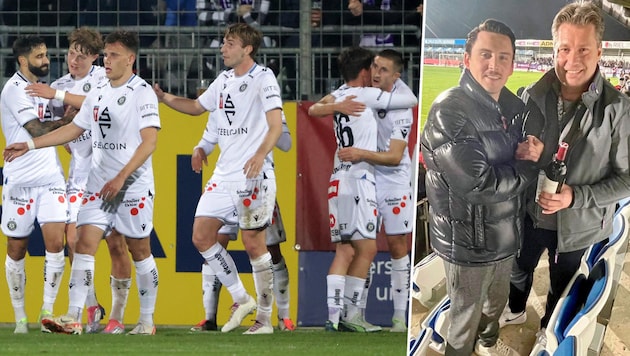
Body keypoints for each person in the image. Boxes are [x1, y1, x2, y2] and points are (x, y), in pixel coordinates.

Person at [5, 30, 162, 336]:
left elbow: (150, 143)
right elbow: (74, 129)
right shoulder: (98, 93)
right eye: (105, 54)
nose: (107, 60)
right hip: (98, 184)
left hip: (132, 185)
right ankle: (75, 316)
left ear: (130, 59)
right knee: (82, 244)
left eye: (113, 55)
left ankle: (145, 320)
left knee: (139, 250)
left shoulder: (141, 92)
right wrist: (31, 145)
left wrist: (121, 177)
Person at [500, 2, 630, 345]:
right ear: (554, 49)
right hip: (528, 214)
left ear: (600, 50)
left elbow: (627, 179)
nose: (572, 59)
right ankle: (514, 308)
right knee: (518, 269)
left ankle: (548, 328)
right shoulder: (530, 96)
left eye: (583, 49)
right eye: (564, 49)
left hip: (577, 226)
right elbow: (518, 160)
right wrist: (518, 154)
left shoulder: (619, 109)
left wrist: (575, 196)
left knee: (562, 284)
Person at [420, 19, 543, 355]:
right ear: (467, 59)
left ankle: (487, 343)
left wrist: (527, 149)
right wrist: (528, 164)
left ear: (513, 63)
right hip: (469, 244)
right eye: (486, 54)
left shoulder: (508, 108)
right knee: (464, 318)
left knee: (495, 305)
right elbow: (478, 185)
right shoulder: (450, 110)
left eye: (503, 57)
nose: (494, 64)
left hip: (503, 235)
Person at [154, 22, 282, 334]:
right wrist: (164, 97)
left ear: (247, 49)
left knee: (254, 244)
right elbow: (197, 107)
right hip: (224, 175)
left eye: (230, 43)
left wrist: (259, 153)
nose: (223, 49)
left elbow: (275, 125)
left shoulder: (263, 78)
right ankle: (241, 297)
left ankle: (264, 319)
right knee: (200, 235)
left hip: (254, 175)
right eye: (223, 43)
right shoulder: (223, 80)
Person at [308, 46, 417, 333]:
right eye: (375, 68)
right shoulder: (367, 95)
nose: (377, 73)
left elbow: (313, 108)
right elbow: (413, 98)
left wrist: (333, 106)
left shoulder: (342, 93)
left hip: (354, 180)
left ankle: (341, 317)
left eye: (385, 69)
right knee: (366, 250)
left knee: (348, 250)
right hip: (360, 181)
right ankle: (351, 316)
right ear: (365, 71)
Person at [189, 113, 296, 332]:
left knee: (270, 249)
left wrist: (270, 125)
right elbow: (208, 135)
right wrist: (200, 148)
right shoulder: (224, 95)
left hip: (257, 183)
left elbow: (286, 143)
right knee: (212, 242)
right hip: (226, 183)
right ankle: (210, 317)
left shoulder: (267, 101)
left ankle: (282, 315)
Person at [1, 35, 75, 334]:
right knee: (16, 249)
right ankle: (20, 318)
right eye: (40, 56)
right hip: (20, 181)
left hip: (51, 178)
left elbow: (55, 117)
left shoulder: (45, 90)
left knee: (56, 244)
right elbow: (36, 129)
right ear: (23, 61)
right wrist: (68, 122)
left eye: (46, 55)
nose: (46, 60)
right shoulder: (13, 91)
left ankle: (47, 312)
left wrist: (63, 108)